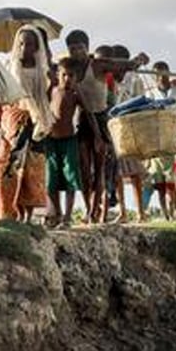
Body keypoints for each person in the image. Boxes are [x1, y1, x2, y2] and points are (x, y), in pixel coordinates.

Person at [60, 30, 147, 224]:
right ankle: (89, 207)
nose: (77, 53)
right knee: (84, 169)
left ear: (87, 48)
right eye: (72, 49)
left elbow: (124, 65)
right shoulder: (70, 67)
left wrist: (139, 60)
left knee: (99, 169)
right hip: (81, 120)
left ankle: (94, 211)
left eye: (80, 48)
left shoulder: (98, 65)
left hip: (100, 118)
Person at [0, 25, 53, 223]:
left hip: (35, 121)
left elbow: (44, 95)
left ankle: (27, 215)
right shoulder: (10, 66)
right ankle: (9, 211)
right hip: (13, 120)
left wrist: (51, 83)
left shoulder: (41, 70)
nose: (24, 47)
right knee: (8, 165)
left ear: (36, 46)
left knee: (31, 169)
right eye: (21, 43)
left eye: (29, 43)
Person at [45, 63, 95, 225]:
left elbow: (88, 113)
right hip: (51, 140)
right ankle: (56, 213)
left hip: (69, 140)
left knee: (71, 177)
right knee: (51, 178)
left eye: (71, 76)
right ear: (58, 75)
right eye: (64, 75)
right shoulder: (51, 91)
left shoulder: (75, 94)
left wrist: (98, 136)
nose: (67, 79)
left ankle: (67, 216)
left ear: (75, 79)